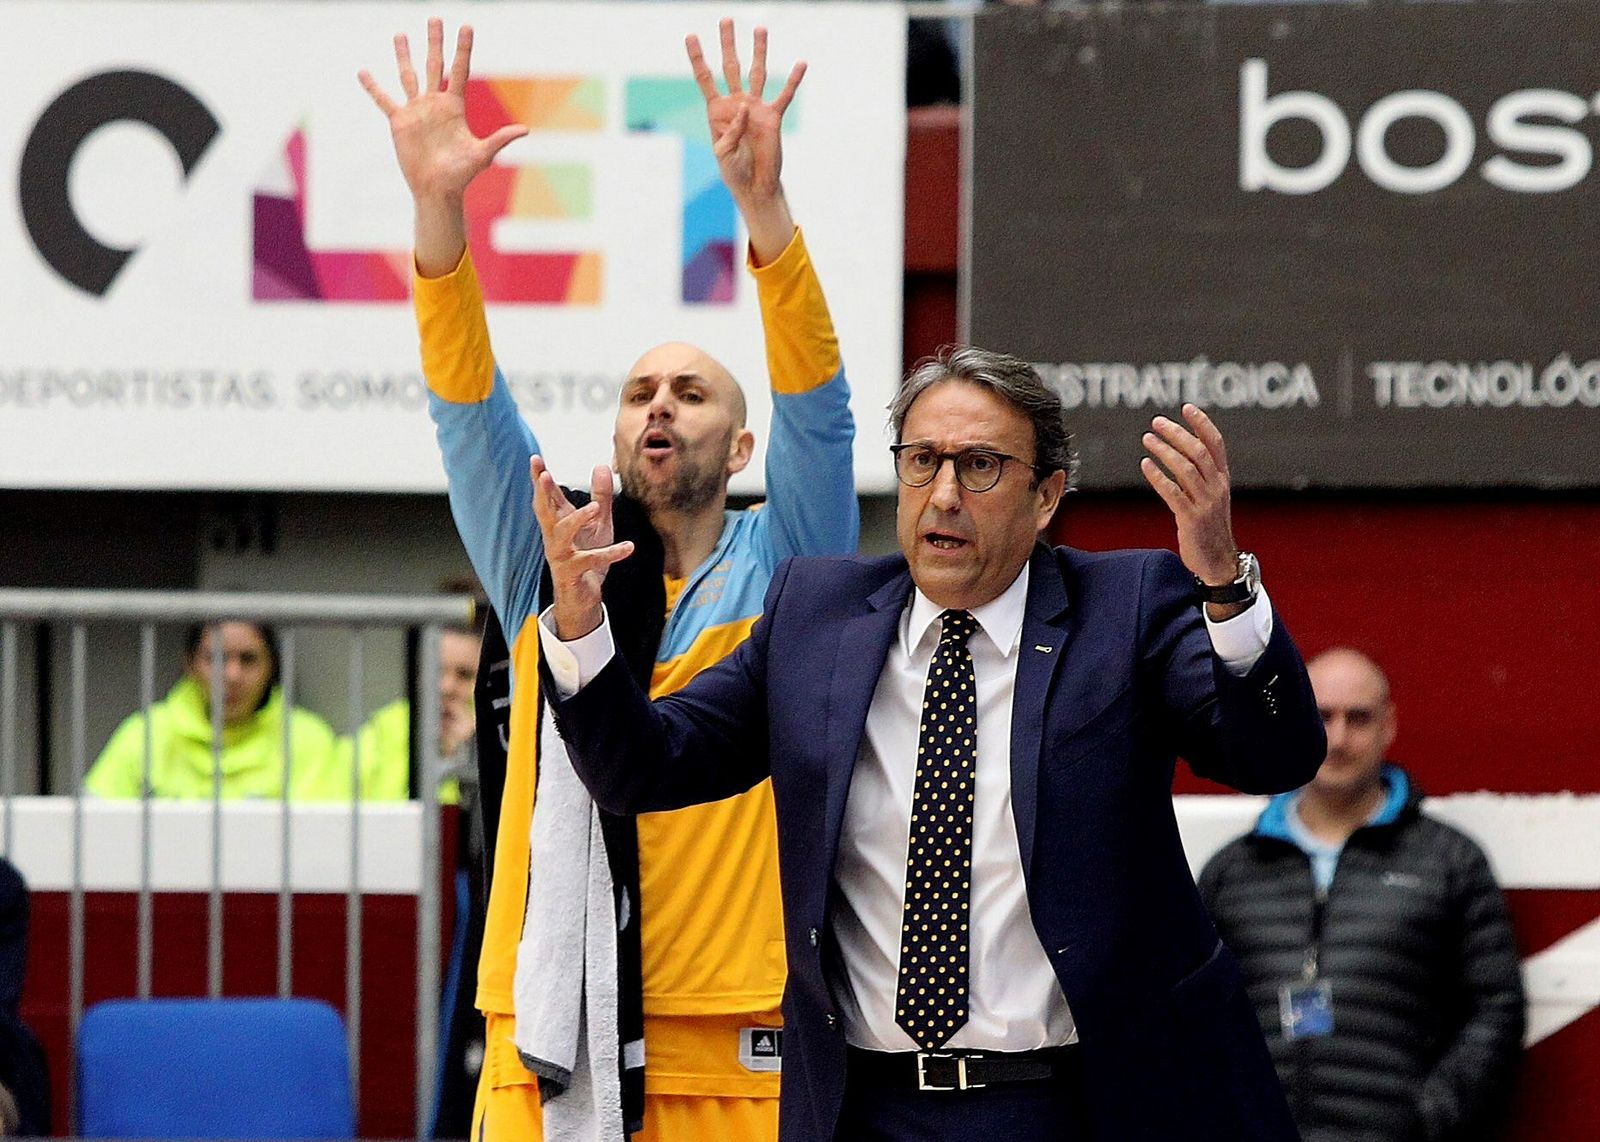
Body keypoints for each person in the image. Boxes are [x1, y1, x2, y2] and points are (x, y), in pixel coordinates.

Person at [536, 347, 1326, 1140]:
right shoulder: (815, 615)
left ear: (1046, 495)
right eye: (922, 462)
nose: (944, 495)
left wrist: (1224, 585)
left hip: (1079, 1099)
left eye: (979, 465)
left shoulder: (1124, 608)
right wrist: (579, 624)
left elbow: (1275, 756)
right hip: (866, 1106)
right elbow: (642, 768)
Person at [359, 17, 858, 1141]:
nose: (659, 404)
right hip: (544, 1030)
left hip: (735, 1031)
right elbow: (467, 408)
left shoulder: (789, 570)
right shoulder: (555, 561)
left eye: (690, 389)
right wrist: (439, 212)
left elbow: (821, 413)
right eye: (639, 390)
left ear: (740, 448)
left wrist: (764, 216)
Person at [1199, 647, 1526, 1142]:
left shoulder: (1449, 862)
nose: (1338, 739)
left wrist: (1424, 1118)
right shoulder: (1233, 871)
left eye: (1359, 719)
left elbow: (1496, 1009)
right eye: (1321, 716)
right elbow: (1192, 1014)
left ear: (1388, 725)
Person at [85, 621, 341, 801]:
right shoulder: (146, 733)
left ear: (272, 667)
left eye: (248, 659)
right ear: (191, 665)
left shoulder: (308, 739)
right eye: (217, 658)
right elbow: (91, 827)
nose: (232, 675)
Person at [340, 618, 482, 804]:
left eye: (465, 675)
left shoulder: (499, 742)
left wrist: (470, 753)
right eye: (437, 670)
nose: (447, 687)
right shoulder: (379, 733)